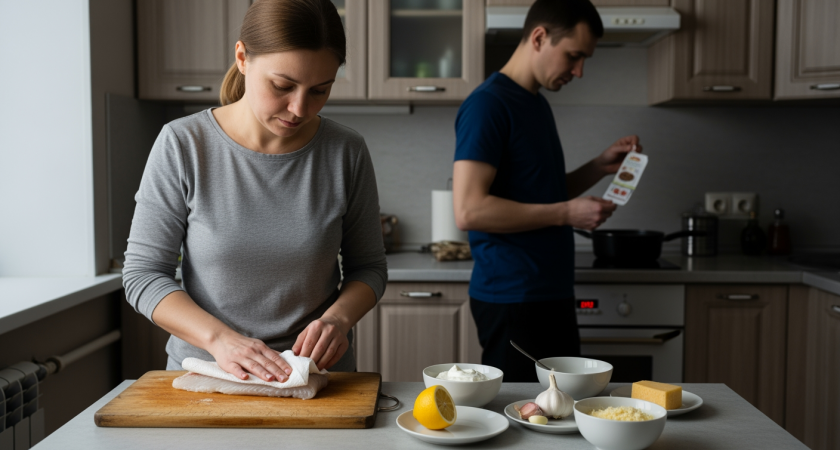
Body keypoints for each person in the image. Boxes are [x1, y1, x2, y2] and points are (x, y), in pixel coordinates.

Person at [123, 0, 387, 383]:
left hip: (314, 377)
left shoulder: (346, 151)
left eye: (320, 90)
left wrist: (338, 319)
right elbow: (143, 275)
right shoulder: (183, 144)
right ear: (243, 58)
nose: (299, 108)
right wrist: (220, 340)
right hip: (209, 376)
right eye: (282, 86)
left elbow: (370, 267)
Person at [452, 0, 643, 382]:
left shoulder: (535, 103)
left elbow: (542, 192)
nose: (580, 71)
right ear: (539, 37)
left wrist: (598, 166)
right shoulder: (488, 105)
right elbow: (469, 211)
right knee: (528, 420)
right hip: (514, 296)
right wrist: (567, 214)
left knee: (561, 413)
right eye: (574, 56)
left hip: (548, 291)